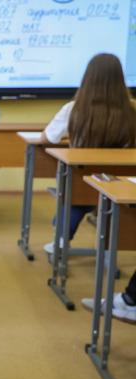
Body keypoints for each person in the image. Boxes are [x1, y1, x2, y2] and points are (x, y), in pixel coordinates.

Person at [41, 53, 136, 254]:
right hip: (123, 183)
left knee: (73, 193)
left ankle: (61, 241)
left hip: (82, 179)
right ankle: (113, 245)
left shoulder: (73, 109)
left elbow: (48, 138)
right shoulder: (133, 110)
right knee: (85, 191)